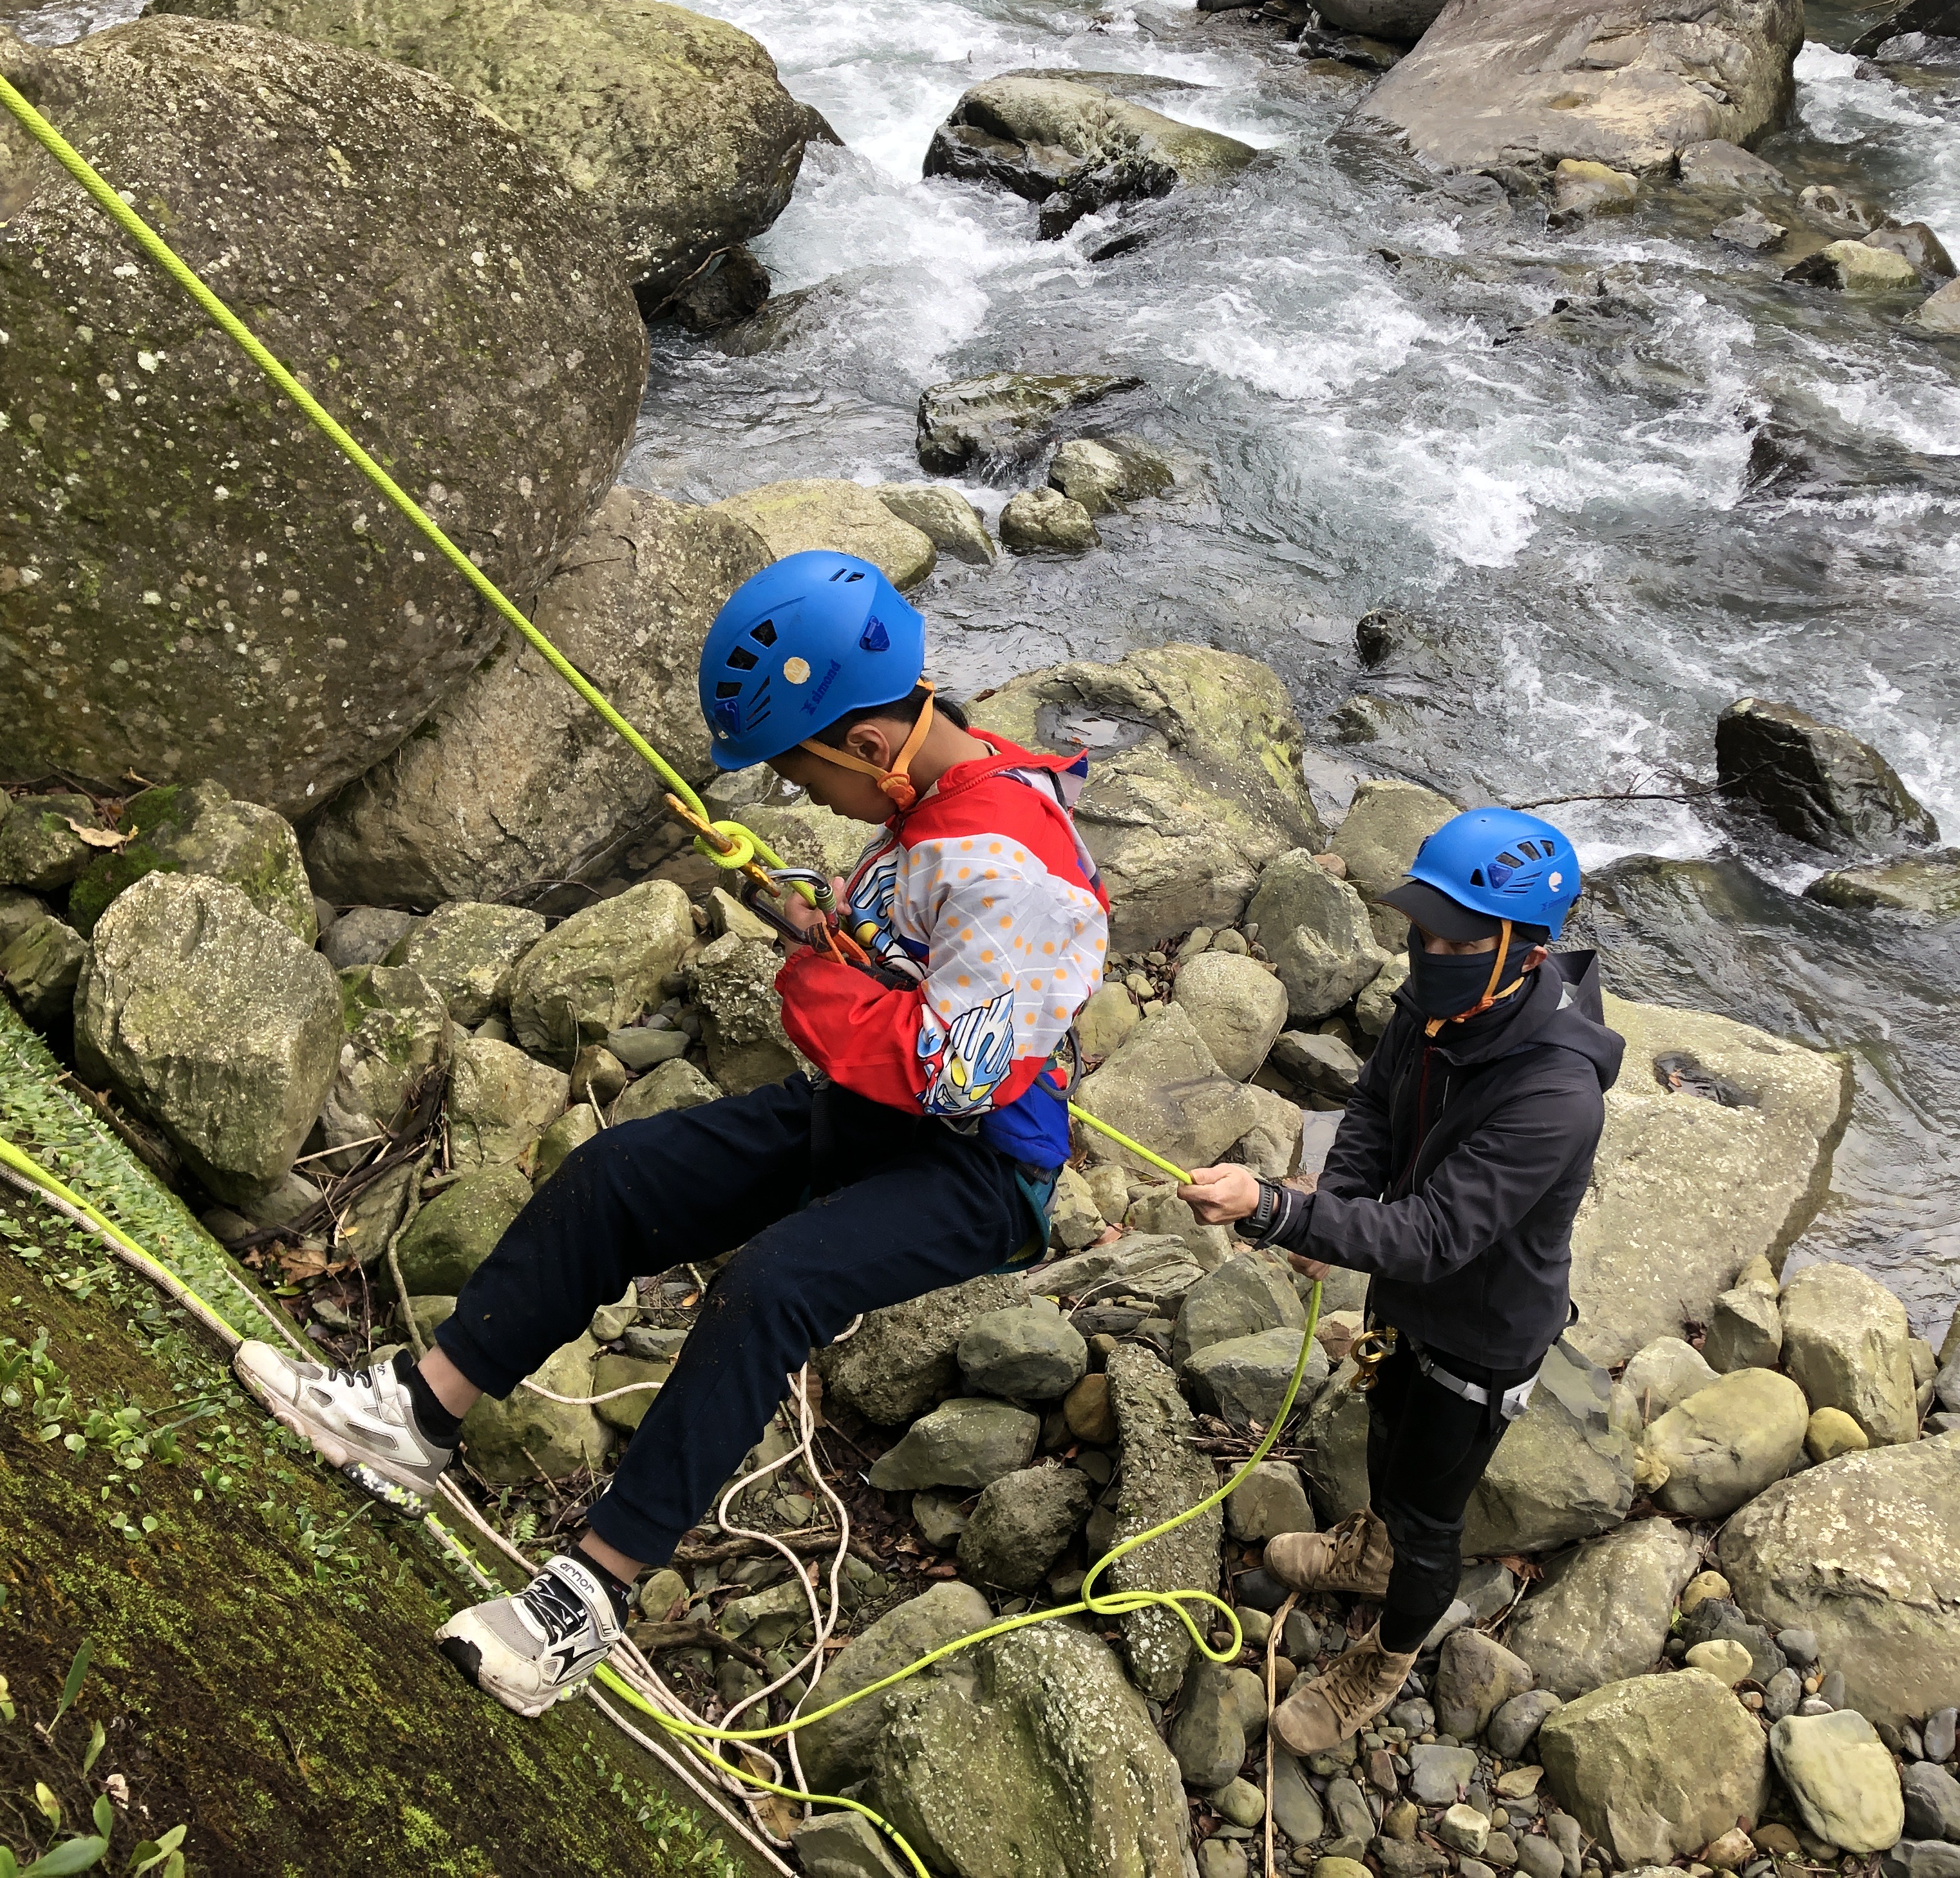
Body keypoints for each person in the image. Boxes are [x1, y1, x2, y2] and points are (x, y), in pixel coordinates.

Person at [233, 550, 1111, 1715]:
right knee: (621, 1173)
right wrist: (808, 911)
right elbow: (910, 958)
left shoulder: (1018, 869)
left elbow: (960, 1078)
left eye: (804, 778)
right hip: (874, 1109)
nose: (810, 801)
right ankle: (418, 1415)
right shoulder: (940, 789)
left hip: (980, 1166)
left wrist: (809, 976)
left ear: (865, 743)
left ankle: (590, 1599)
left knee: (774, 1282)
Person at [1179, 808, 1622, 1754]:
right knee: (1381, 1437)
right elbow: (1375, 1107)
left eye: (1456, 936)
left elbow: (1434, 1232)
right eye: (1423, 929)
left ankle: (1384, 1658)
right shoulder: (1441, 1002)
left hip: (1483, 1336)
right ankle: (1365, 1551)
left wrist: (1281, 1210)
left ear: (1522, 947)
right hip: (1401, 1302)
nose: (1430, 949)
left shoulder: (1556, 1093)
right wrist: (1333, 1209)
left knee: (1432, 1518)